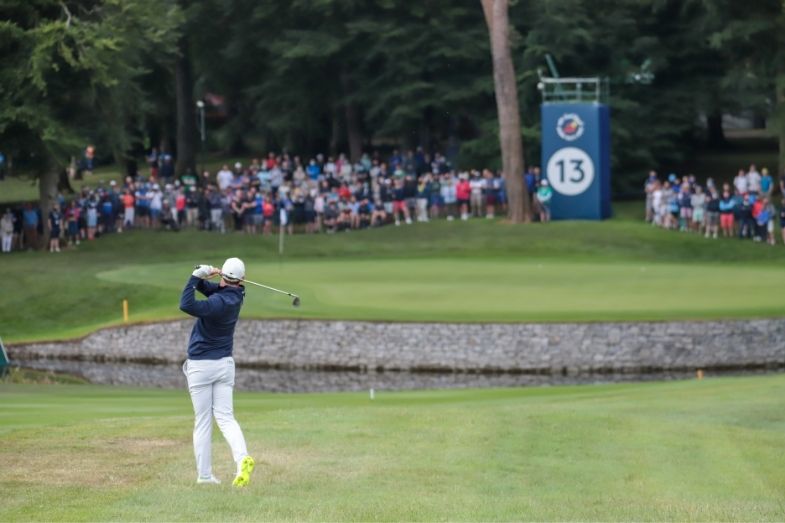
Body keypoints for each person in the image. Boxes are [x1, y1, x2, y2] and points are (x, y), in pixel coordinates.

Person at [179, 259, 255, 487]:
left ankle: (204, 476)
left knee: (203, 421)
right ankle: (242, 459)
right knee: (225, 417)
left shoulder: (218, 303)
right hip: (224, 365)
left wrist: (195, 276)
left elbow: (186, 304)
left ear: (226, 276)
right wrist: (205, 276)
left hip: (201, 366)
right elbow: (210, 288)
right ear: (241, 279)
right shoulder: (237, 295)